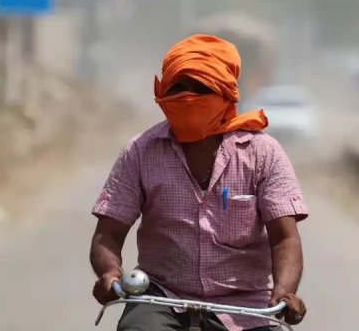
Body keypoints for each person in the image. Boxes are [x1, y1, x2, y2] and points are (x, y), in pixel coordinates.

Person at [90, 34, 309, 331]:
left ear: (227, 94)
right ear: (163, 92)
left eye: (201, 88)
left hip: (246, 305)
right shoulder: (140, 151)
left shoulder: (263, 153)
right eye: (178, 88)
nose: (188, 97)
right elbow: (108, 233)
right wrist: (110, 274)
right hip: (160, 297)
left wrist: (284, 291)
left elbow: (284, 237)